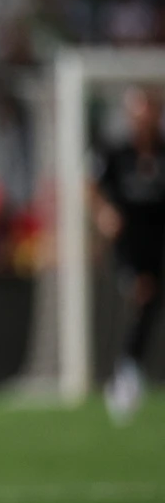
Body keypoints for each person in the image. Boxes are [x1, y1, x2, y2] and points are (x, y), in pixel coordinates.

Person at [93, 86, 165, 426]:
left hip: (160, 240)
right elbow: (89, 185)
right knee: (144, 296)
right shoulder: (116, 152)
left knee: (149, 306)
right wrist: (104, 211)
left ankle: (129, 370)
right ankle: (126, 373)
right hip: (132, 245)